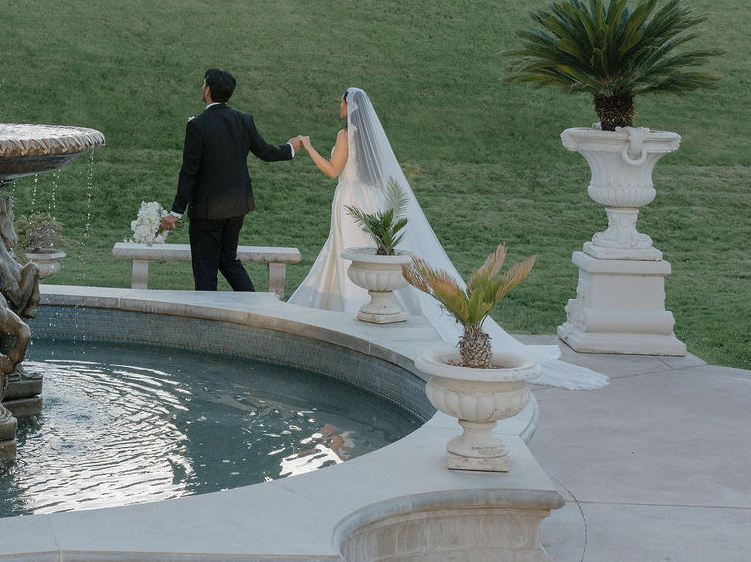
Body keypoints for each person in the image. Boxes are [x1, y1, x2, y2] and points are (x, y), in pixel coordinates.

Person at [289, 87, 607, 390]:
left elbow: (333, 171)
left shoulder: (346, 135)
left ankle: (350, 312)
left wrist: (308, 145)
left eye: (341, 102)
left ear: (350, 107)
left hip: (349, 201)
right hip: (366, 199)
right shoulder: (368, 138)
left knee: (348, 254)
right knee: (356, 254)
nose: (338, 106)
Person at [164, 69, 299, 291]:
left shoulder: (197, 125)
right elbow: (265, 151)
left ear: (207, 90)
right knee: (228, 261)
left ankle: (208, 318)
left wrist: (175, 213)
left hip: (206, 212)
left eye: (203, 84)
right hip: (237, 208)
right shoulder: (244, 119)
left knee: (205, 270)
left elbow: (189, 172)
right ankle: (252, 306)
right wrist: (289, 149)